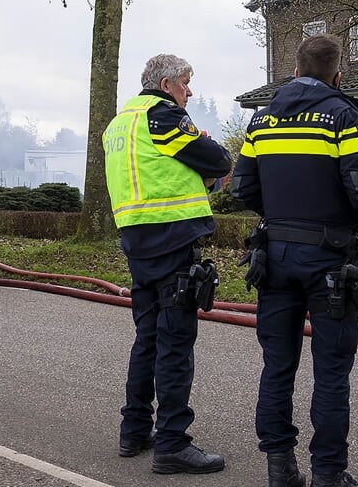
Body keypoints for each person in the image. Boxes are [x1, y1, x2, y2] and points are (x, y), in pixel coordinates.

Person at [231, 33, 358, 487]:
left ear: (294, 71)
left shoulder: (260, 122)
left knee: (277, 365)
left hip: (273, 258)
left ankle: (281, 471)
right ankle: (328, 475)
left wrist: (278, 218)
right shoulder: (341, 116)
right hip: (330, 260)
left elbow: (242, 189)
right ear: (339, 75)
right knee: (331, 370)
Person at [102, 53, 231, 475]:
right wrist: (210, 160)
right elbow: (217, 160)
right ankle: (173, 443)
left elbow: (163, 170)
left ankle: (134, 430)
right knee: (175, 343)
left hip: (137, 241)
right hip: (172, 239)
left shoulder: (120, 124)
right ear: (166, 85)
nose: (188, 92)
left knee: (147, 339)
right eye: (185, 83)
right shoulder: (164, 116)